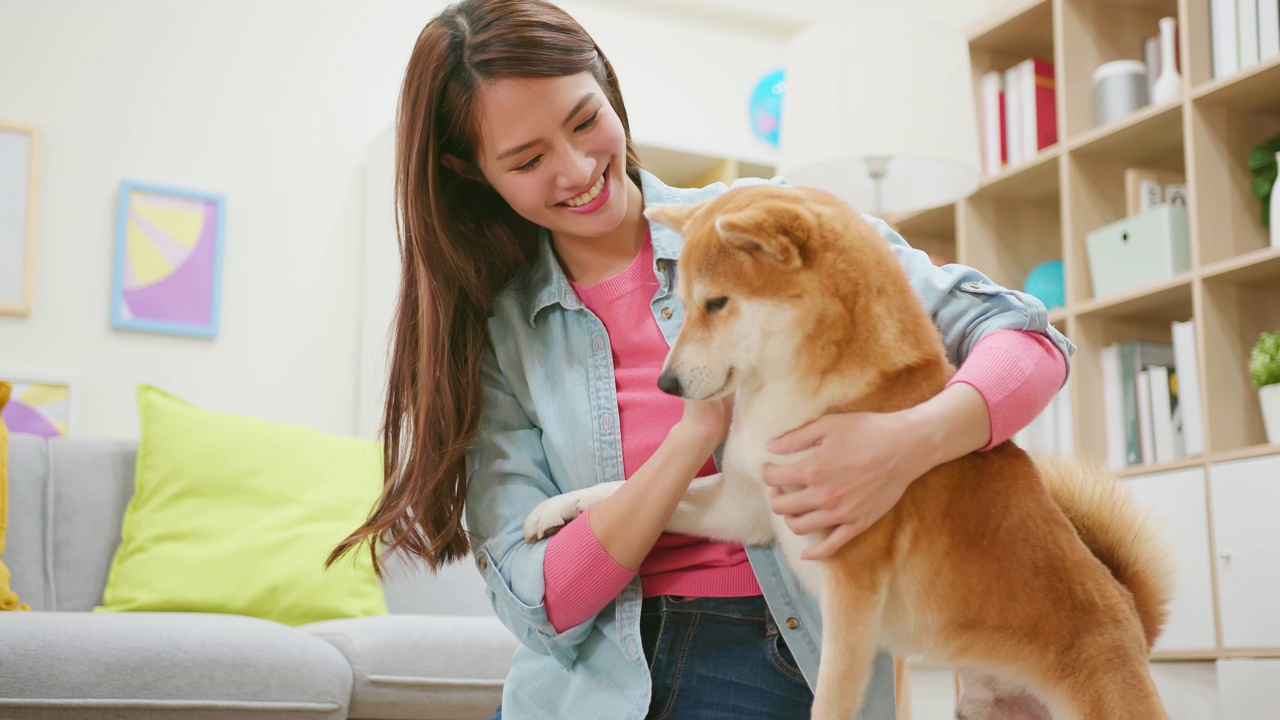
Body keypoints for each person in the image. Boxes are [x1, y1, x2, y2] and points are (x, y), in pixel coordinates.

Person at [330, 1, 1075, 718]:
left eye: (586, 120)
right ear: (473, 173)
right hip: (577, 687)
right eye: (527, 160)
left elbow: (1025, 337)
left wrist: (903, 445)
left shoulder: (762, 223)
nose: (578, 168)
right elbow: (543, 599)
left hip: (769, 648)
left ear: (606, 84)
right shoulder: (498, 332)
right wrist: (694, 438)